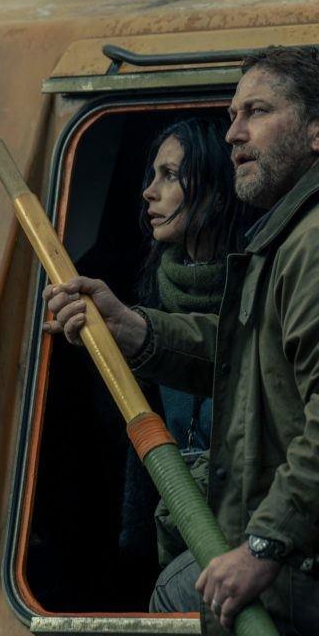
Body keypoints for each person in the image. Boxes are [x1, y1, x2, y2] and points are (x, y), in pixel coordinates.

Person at [43, 45, 319, 636]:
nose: (233, 134)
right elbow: (262, 353)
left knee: (179, 591)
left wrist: (265, 544)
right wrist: (137, 329)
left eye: (257, 112)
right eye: (232, 115)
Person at [115, 117, 262, 562]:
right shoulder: (150, 296)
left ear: (218, 192)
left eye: (171, 175)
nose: (149, 191)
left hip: (243, 527)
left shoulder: (263, 284)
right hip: (175, 517)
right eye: (152, 175)